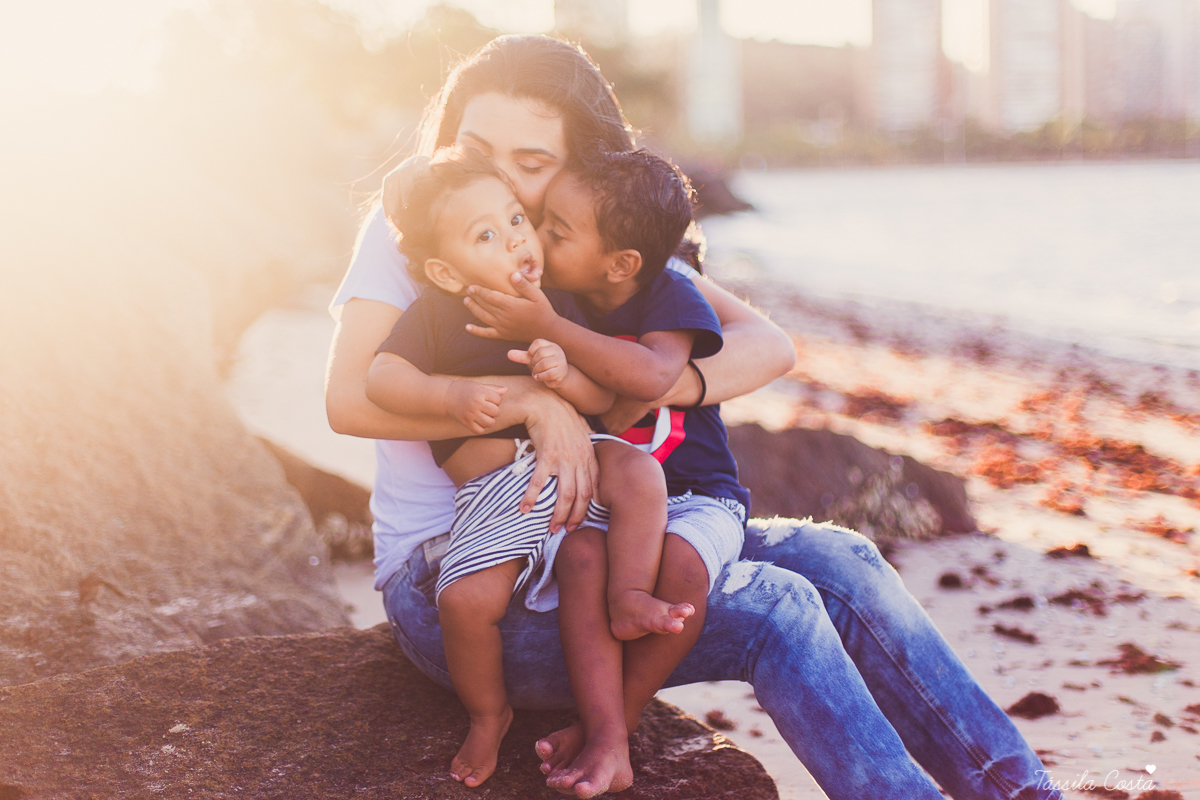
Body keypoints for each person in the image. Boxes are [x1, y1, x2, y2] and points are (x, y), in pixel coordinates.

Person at [325, 33, 1062, 800]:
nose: (500, 181)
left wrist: (641, 386)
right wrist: (531, 404)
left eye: (533, 164)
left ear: (578, 168)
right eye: (476, 147)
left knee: (846, 562)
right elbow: (347, 399)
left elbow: (767, 346)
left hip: (588, 541)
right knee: (779, 609)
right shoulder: (417, 229)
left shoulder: (577, 241)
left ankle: (1022, 794)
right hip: (460, 578)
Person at [363, 145, 696, 787]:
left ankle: (628, 594)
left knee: (639, 473)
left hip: (577, 473)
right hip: (499, 496)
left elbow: (604, 405)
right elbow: (381, 377)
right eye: (486, 235)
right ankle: (489, 714)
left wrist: (565, 374)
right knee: (464, 603)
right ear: (447, 271)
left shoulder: (554, 308)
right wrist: (451, 396)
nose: (518, 239)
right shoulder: (435, 313)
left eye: (517, 218)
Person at [458, 145, 751, 796]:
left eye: (557, 231)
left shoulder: (668, 289)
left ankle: (614, 729)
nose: (540, 238)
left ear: (622, 264)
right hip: (611, 496)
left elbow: (651, 376)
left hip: (698, 496)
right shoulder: (557, 289)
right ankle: (605, 732)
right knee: (580, 559)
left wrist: (548, 324)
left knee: (680, 571)